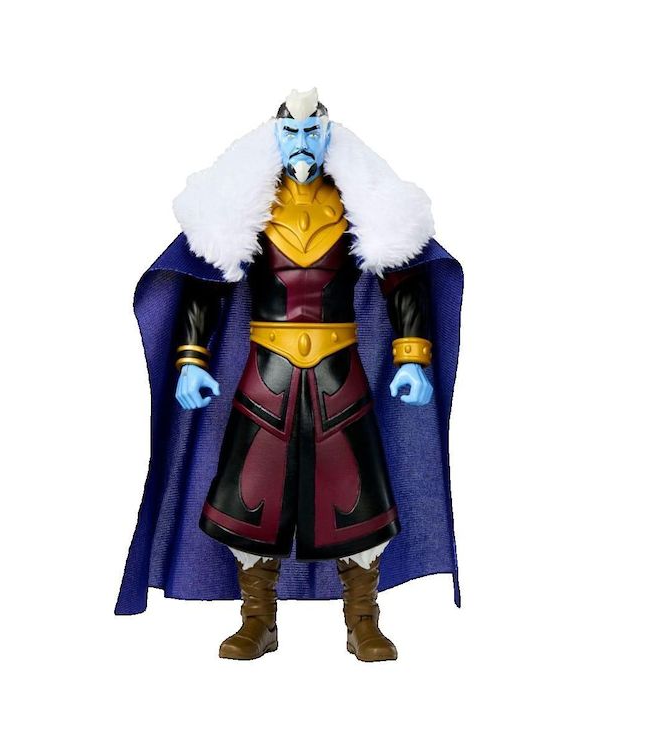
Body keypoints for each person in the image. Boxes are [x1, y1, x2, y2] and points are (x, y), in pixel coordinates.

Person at [116, 89, 463, 662]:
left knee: (355, 495)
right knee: (251, 495)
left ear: (329, 135)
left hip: (339, 374)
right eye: (292, 133)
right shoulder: (246, 207)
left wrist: (411, 356)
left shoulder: (361, 205)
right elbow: (207, 278)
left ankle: (363, 620)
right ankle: (258, 619)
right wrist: (191, 360)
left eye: (312, 132)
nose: (302, 143)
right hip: (267, 375)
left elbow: (401, 277)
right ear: (276, 138)